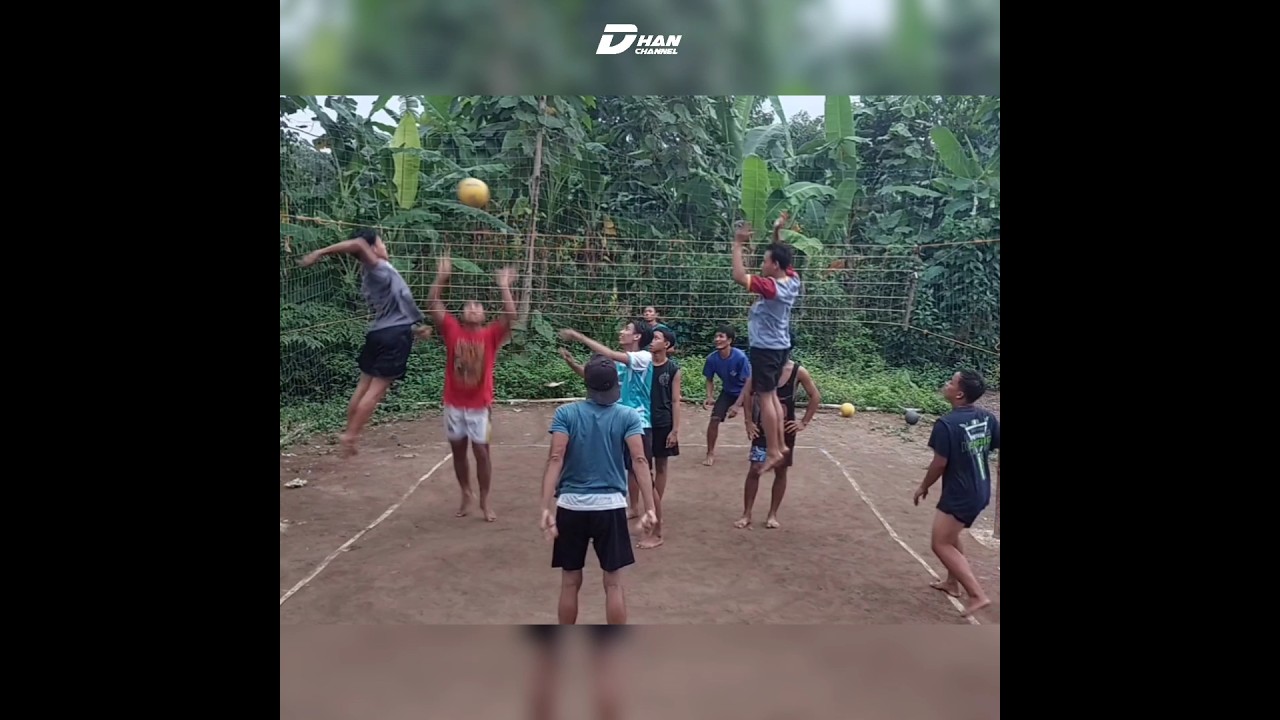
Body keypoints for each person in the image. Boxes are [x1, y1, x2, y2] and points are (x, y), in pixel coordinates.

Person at [539, 354, 657, 625]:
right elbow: (639, 460)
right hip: (610, 507)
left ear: (586, 384)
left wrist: (545, 507)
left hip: (570, 506)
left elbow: (555, 458)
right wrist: (650, 508)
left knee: (570, 582)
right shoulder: (627, 415)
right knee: (613, 584)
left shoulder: (566, 413)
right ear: (615, 385)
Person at [297, 228, 433, 458]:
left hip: (379, 332)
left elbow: (398, 304)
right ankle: (350, 436)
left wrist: (415, 326)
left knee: (363, 387)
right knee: (375, 392)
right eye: (381, 243)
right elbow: (359, 243)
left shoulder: (372, 273)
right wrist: (319, 252)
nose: (384, 247)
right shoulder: (377, 268)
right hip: (394, 337)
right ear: (372, 249)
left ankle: (349, 432)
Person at [427, 256, 517, 522]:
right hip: (453, 404)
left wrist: (504, 286)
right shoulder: (452, 330)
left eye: (478, 306)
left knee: (482, 453)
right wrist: (441, 278)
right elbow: (433, 304)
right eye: (469, 306)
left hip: (480, 407)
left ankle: (485, 499)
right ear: (463, 314)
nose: (474, 308)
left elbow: (511, 316)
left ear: (485, 315)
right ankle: (466, 492)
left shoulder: (490, 335)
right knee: (458, 452)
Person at [912, 370, 1000, 617]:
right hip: (980, 488)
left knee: (940, 543)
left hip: (961, 493)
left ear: (959, 394)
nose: (946, 384)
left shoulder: (946, 424)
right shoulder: (987, 417)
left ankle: (977, 594)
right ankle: (952, 583)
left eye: (951, 382)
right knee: (950, 536)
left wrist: (924, 486)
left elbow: (939, 463)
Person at [558, 320, 654, 523]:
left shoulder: (643, 357)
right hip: (619, 419)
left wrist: (578, 336)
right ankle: (633, 507)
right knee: (627, 466)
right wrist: (572, 364)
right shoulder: (622, 362)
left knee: (639, 466)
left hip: (640, 421)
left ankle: (651, 513)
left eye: (627, 329)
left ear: (637, 337)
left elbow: (609, 354)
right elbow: (595, 379)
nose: (622, 332)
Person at [731, 214, 801, 473]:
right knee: (771, 396)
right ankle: (779, 444)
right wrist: (776, 231)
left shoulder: (771, 288)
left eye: (764, 260)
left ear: (774, 265)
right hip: (780, 347)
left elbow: (739, 276)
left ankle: (772, 450)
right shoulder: (792, 279)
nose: (762, 264)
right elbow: (783, 257)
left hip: (766, 349)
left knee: (766, 398)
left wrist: (737, 244)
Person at [737, 354, 819, 529]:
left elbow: (815, 395)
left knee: (781, 471)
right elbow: (747, 393)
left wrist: (803, 422)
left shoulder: (798, 371)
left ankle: (772, 514)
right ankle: (746, 513)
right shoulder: (761, 370)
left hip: (786, 432)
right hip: (762, 430)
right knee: (755, 469)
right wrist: (748, 421)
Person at [639, 327, 681, 549]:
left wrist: (675, 429)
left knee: (661, 466)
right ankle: (652, 506)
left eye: (656, 338)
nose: (652, 341)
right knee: (644, 470)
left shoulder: (672, 369)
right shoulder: (643, 364)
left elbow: (675, 401)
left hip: (663, 423)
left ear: (666, 345)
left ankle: (656, 507)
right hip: (644, 422)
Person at [701, 324, 751, 466]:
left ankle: (761, 449)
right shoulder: (712, 359)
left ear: (729, 340)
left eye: (721, 336)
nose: (717, 339)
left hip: (748, 391)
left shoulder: (740, 357)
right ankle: (710, 452)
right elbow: (709, 379)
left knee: (755, 420)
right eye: (716, 336)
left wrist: (737, 405)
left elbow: (748, 383)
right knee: (714, 419)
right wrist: (709, 396)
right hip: (728, 391)